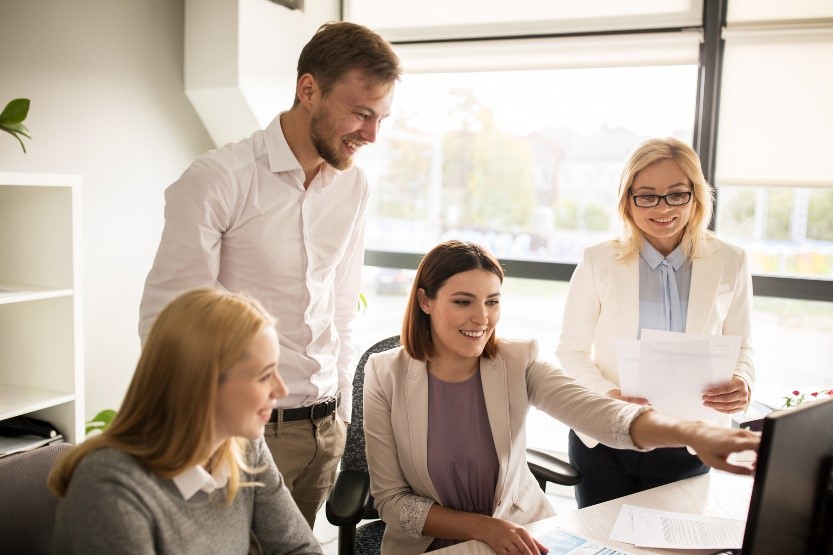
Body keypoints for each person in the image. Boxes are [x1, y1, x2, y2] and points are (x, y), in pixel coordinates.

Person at [138, 21, 402, 526]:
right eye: (360, 113)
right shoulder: (218, 180)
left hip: (324, 429)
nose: (371, 135)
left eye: (381, 118)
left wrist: (343, 413)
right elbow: (166, 320)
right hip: (240, 435)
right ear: (309, 90)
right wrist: (204, 436)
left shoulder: (354, 188)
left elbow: (342, 307)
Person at [363, 240, 760, 555]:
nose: (482, 319)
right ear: (425, 301)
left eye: (492, 301)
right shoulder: (385, 374)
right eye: (463, 302)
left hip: (524, 535)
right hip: (434, 544)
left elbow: (602, 414)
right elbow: (393, 503)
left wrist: (695, 434)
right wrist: (484, 528)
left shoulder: (518, 360)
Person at [556, 137, 755, 508]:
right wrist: (609, 397)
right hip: (607, 436)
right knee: (603, 544)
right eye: (646, 195)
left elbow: (742, 344)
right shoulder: (599, 260)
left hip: (690, 440)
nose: (662, 208)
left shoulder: (730, 260)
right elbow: (571, 351)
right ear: (627, 199)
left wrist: (743, 381)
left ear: (695, 196)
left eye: (676, 194)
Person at [49, 288, 323, 554]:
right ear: (203, 386)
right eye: (264, 376)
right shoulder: (110, 492)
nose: (281, 390)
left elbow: (299, 548)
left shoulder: (242, 447)